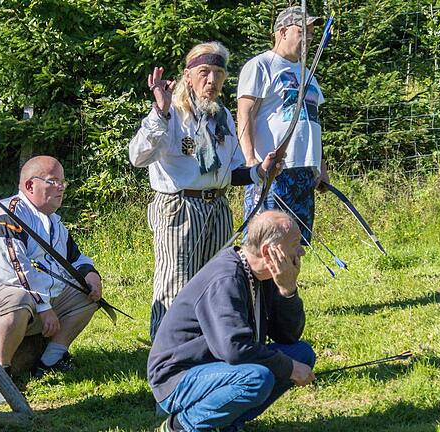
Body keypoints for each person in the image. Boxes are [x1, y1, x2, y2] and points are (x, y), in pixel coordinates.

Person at [129, 41, 279, 341]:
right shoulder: (169, 115)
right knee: (176, 282)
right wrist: (159, 111)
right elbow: (138, 157)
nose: (212, 80)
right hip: (179, 208)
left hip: (217, 208)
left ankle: (204, 344)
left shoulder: (221, 116)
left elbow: (230, 172)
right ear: (188, 75)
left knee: (217, 280)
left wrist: (260, 171)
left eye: (219, 73)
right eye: (204, 72)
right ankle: (166, 352)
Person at [148, 210, 316, 432]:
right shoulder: (226, 279)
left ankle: (227, 422)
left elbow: (288, 336)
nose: (301, 251)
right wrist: (289, 368)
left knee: (301, 353)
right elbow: (235, 349)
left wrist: (288, 291)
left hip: (217, 367)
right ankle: (179, 426)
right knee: (257, 378)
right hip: (177, 377)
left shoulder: (262, 273)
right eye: (295, 244)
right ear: (269, 251)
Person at [0, 155, 103, 403]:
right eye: (53, 181)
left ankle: (50, 361)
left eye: (62, 182)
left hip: (28, 300)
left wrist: (91, 275)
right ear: (29, 186)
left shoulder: (53, 222)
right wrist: (45, 308)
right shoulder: (5, 216)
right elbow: (13, 273)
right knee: (17, 298)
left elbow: (74, 258)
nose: (61, 187)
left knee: (85, 294)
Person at [237, 5, 330, 245]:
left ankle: (288, 284)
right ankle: (259, 284)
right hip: (274, 170)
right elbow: (245, 113)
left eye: (311, 33)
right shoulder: (261, 65)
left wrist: (320, 165)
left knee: (296, 244)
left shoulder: (307, 72)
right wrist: (250, 162)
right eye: (303, 31)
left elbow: (312, 121)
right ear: (283, 31)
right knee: (265, 242)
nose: (309, 38)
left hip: (304, 170)